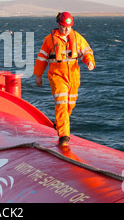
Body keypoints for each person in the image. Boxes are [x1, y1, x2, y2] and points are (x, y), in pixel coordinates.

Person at [33, 12, 95, 147]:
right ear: (59, 25)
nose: (66, 30)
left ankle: (59, 122)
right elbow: (42, 58)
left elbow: (86, 51)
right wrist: (38, 75)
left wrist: (89, 61)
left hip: (73, 77)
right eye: (63, 27)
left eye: (68, 27)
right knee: (61, 102)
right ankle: (64, 136)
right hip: (57, 76)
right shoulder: (49, 40)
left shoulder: (77, 38)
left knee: (70, 104)